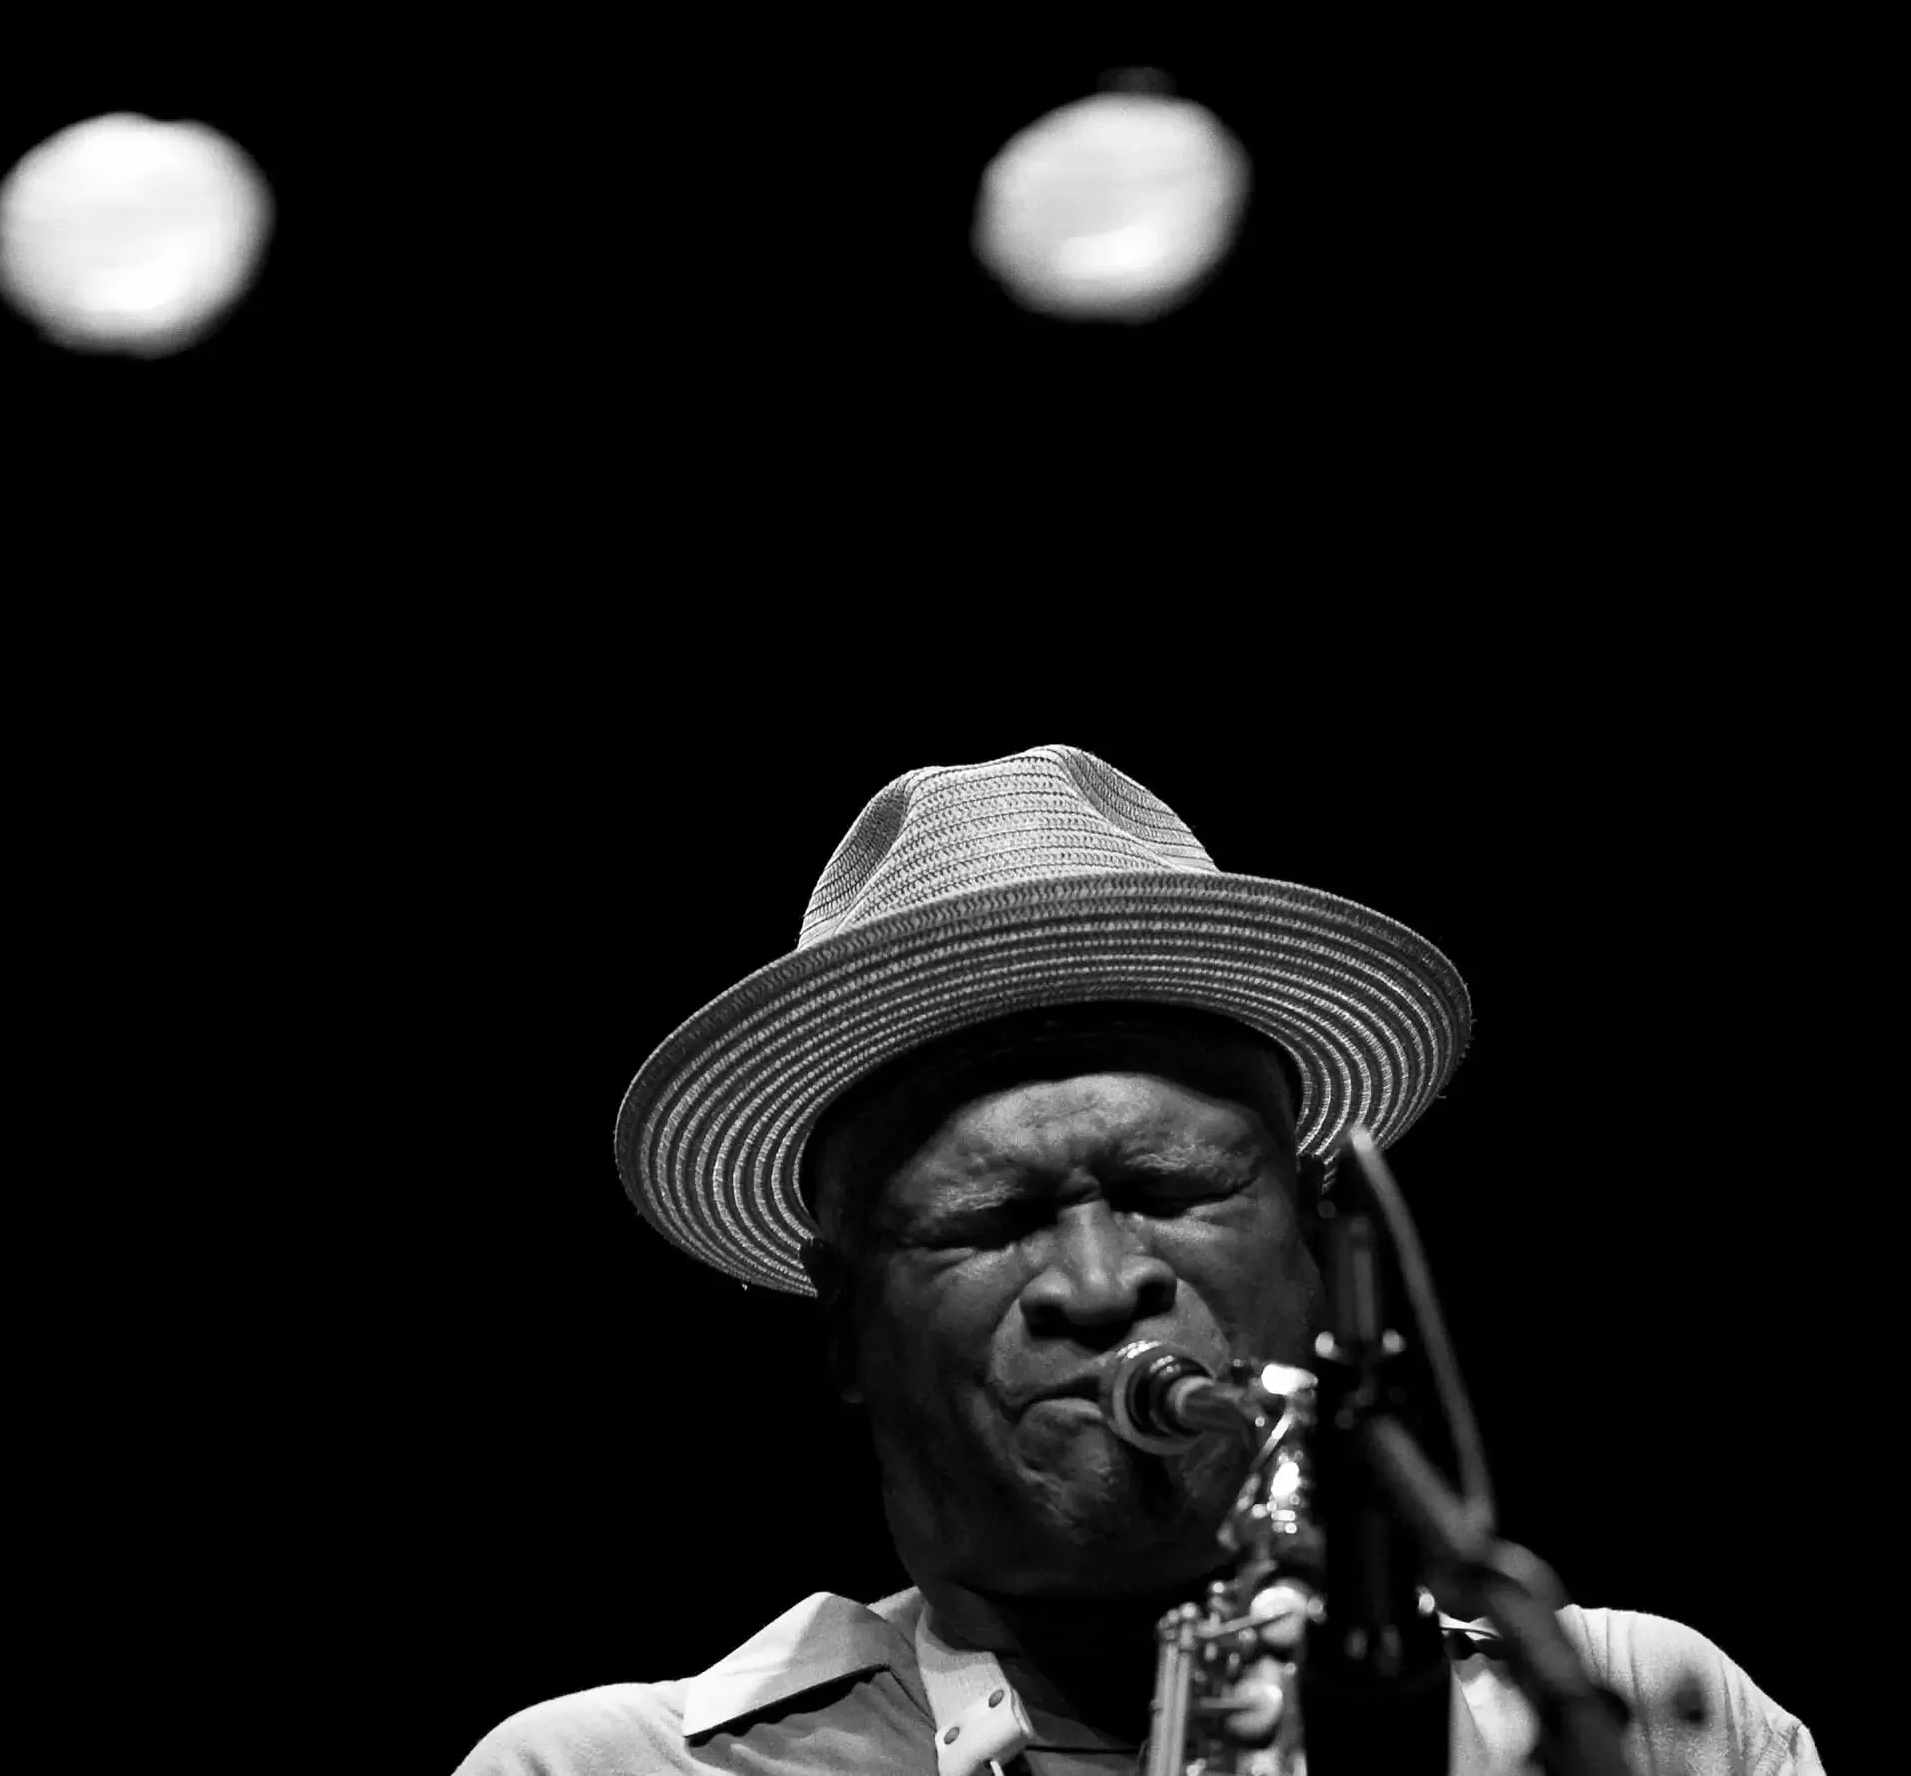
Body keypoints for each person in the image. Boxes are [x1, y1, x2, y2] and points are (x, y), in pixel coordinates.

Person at [451, 745, 1824, 1775]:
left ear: (1317, 1233)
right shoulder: (604, 1767)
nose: (1102, 1283)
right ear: (844, 1329)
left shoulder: (1638, 1712)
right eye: (991, 1220)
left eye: (1171, 1192)